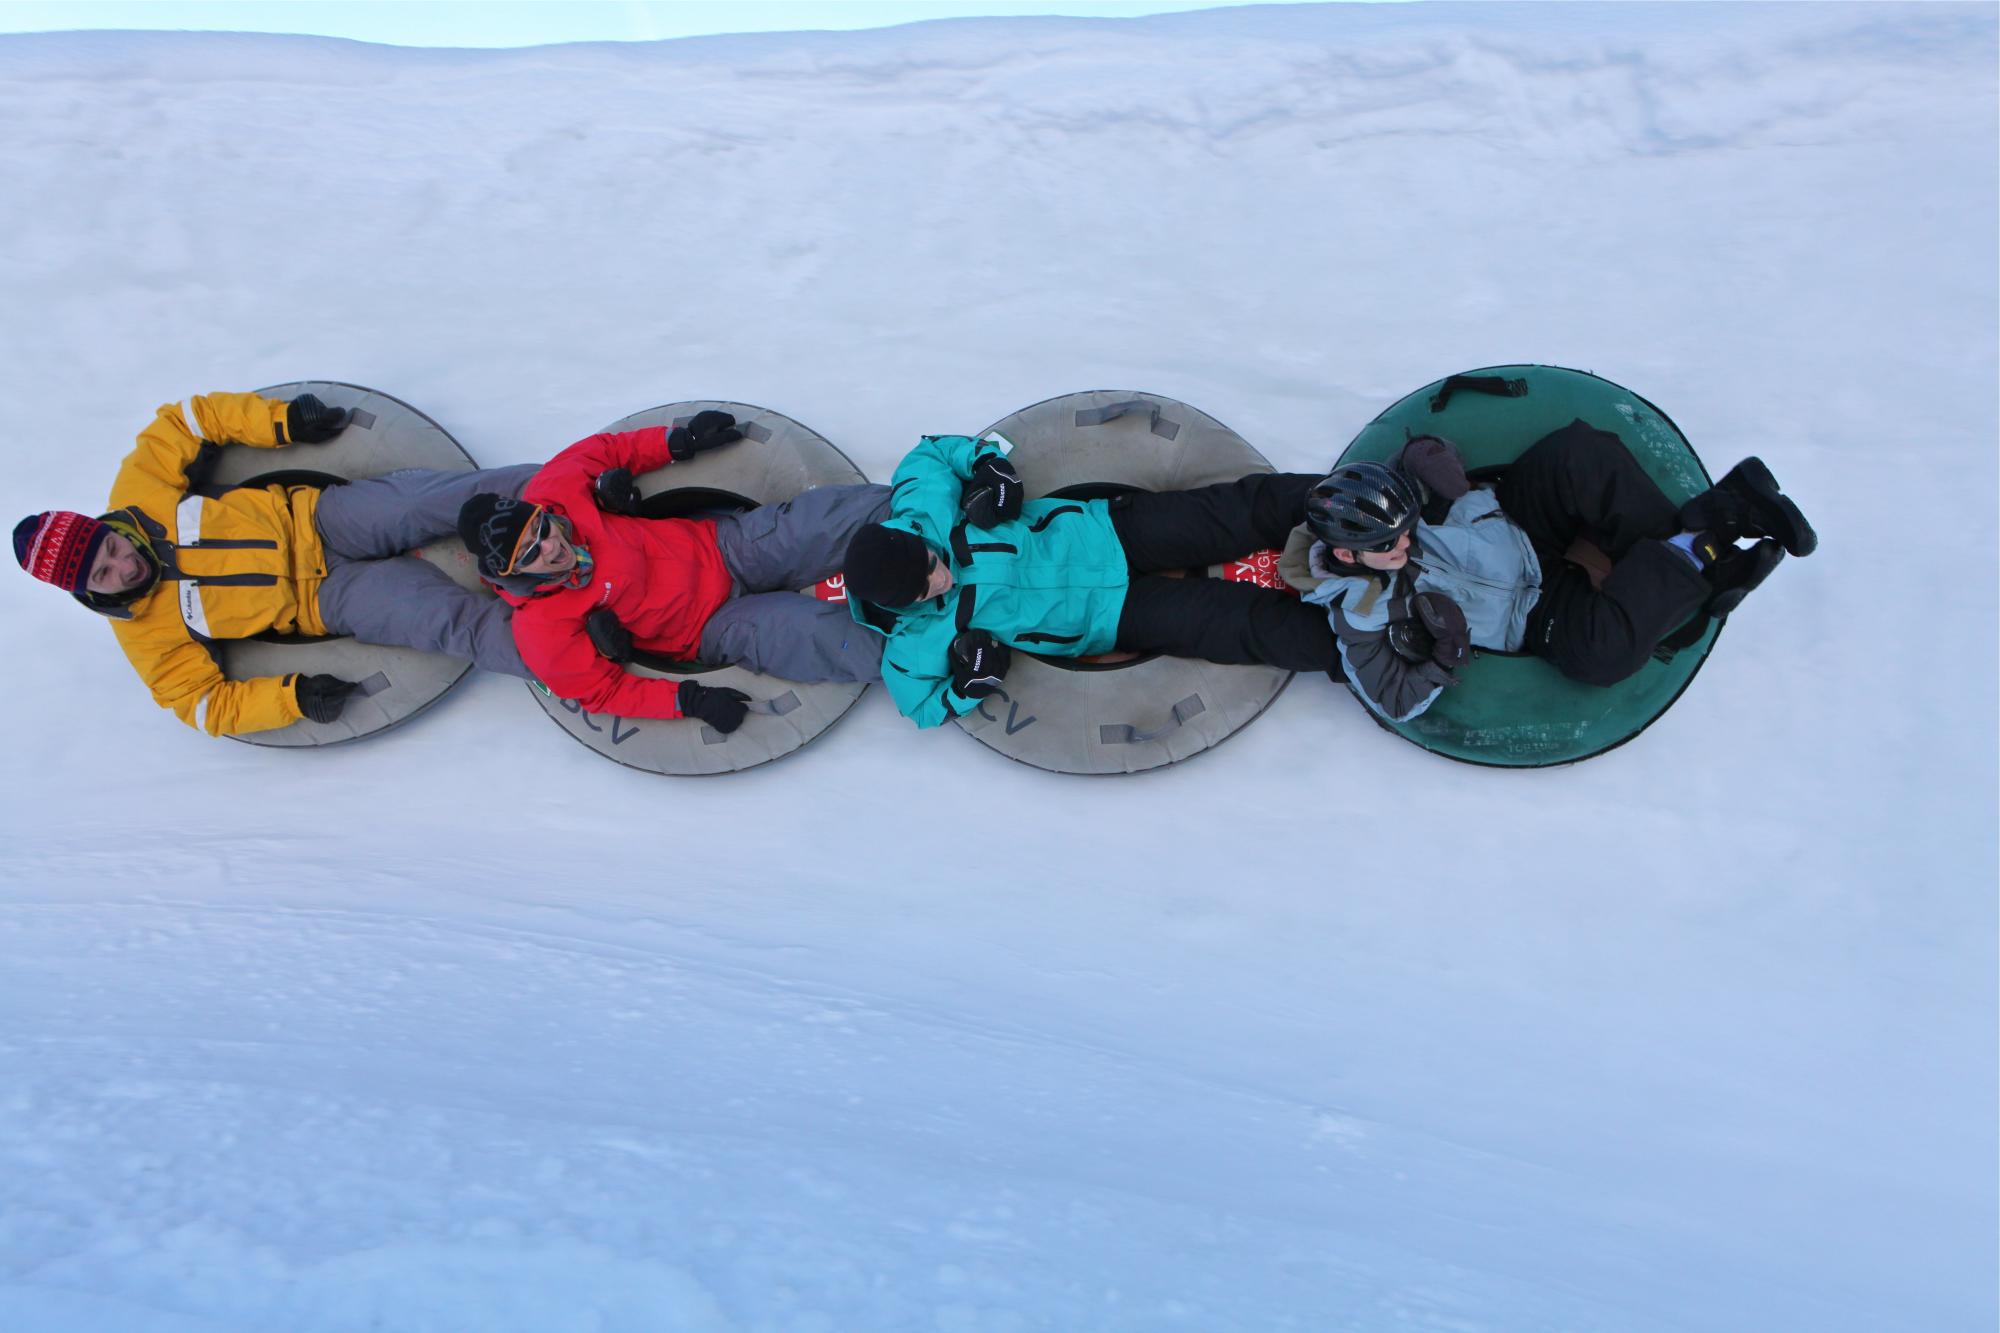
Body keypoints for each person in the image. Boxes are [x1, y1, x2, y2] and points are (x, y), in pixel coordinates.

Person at [13, 389, 540, 735]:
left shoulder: (140, 490)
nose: (123, 566)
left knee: (423, 502)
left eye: (110, 548)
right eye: (104, 576)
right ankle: (577, 654)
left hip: (320, 516)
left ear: (105, 527)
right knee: (437, 620)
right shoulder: (147, 638)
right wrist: (293, 697)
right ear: (87, 593)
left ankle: (571, 493)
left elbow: (187, 420)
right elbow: (204, 707)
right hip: (326, 599)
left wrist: (281, 422)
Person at [1288, 419, 1817, 722]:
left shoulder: (1392, 499)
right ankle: (1710, 541)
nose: (1405, 540)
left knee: (1578, 454)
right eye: (1389, 543)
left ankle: (1719, 529)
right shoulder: (1358, 617)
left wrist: (1433, 459)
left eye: (1406, 526)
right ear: (1348, 556)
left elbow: (1429, 447)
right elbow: (1393, 702)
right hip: (1531, 613)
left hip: (1514, 523)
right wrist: (1445, 652)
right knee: (1603, 654)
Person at [838, 432, 1335, 728]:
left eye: (931, 562)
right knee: (1235, 626)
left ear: (910, 538)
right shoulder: (912, 646)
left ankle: (1351, 504)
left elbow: (932, 453)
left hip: (1108, 531)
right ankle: (1357, 647)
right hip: (1111, 618)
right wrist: (970, 683)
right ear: (906, 605)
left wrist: (992, 468)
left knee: (1233, 512)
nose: (942, 578)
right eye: (928, 589)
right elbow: (919, 709)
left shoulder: (922, 506)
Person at [458, 410, 890, 734]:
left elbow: (607, 450)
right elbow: (601, 691)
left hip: (721, 547)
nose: (552, 546)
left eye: (541, 528)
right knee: (811, 634)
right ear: (513, 571)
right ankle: (937, 656)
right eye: (532, 552)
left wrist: (678, 441)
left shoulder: (555, 490)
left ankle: (934, 514)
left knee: (820, 522)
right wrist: (689, 699)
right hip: (711, 627)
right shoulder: (542, 627)